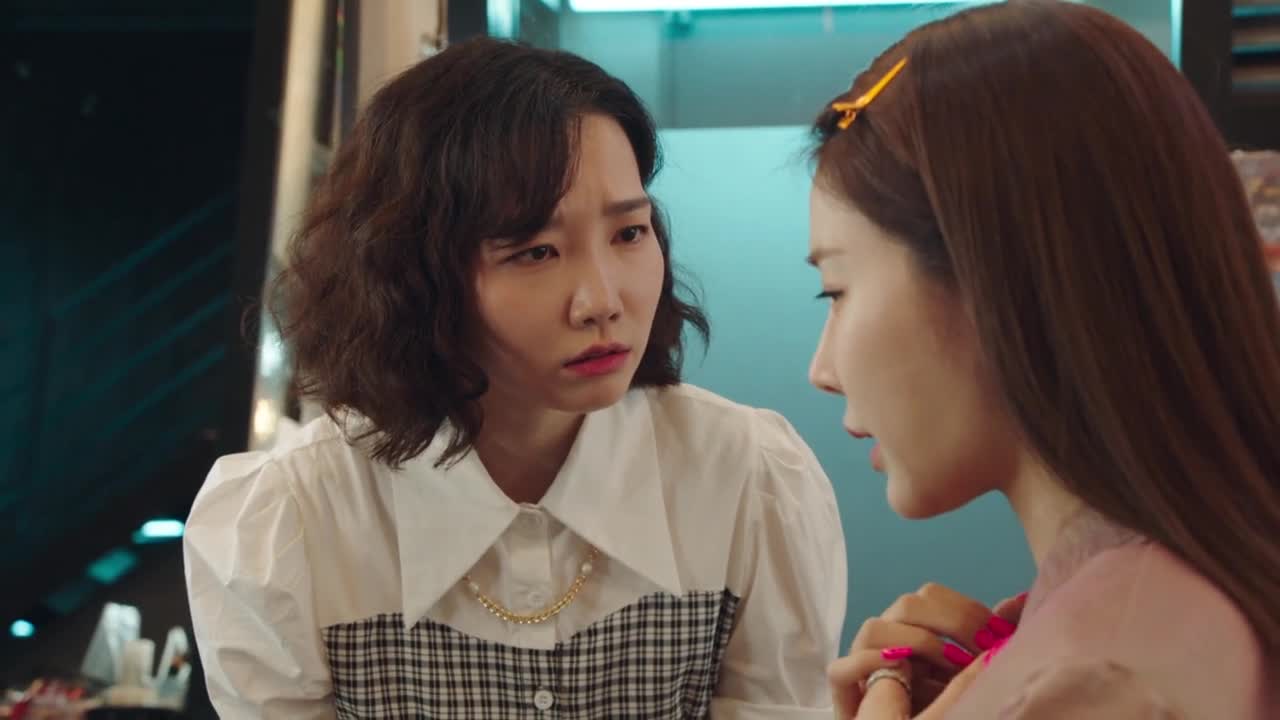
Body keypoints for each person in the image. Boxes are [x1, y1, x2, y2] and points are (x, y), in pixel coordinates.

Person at [184, 38, 846, 719]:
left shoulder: (749, 480)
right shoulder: (291, 521)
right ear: (413, 276)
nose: (601, 301)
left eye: (629, 233)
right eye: (536, 252)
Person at [803, 1, 1280, 718]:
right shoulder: (1191, 594)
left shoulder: (1095, 681)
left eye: (835, 290)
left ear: (995, 280)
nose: (822, 370)